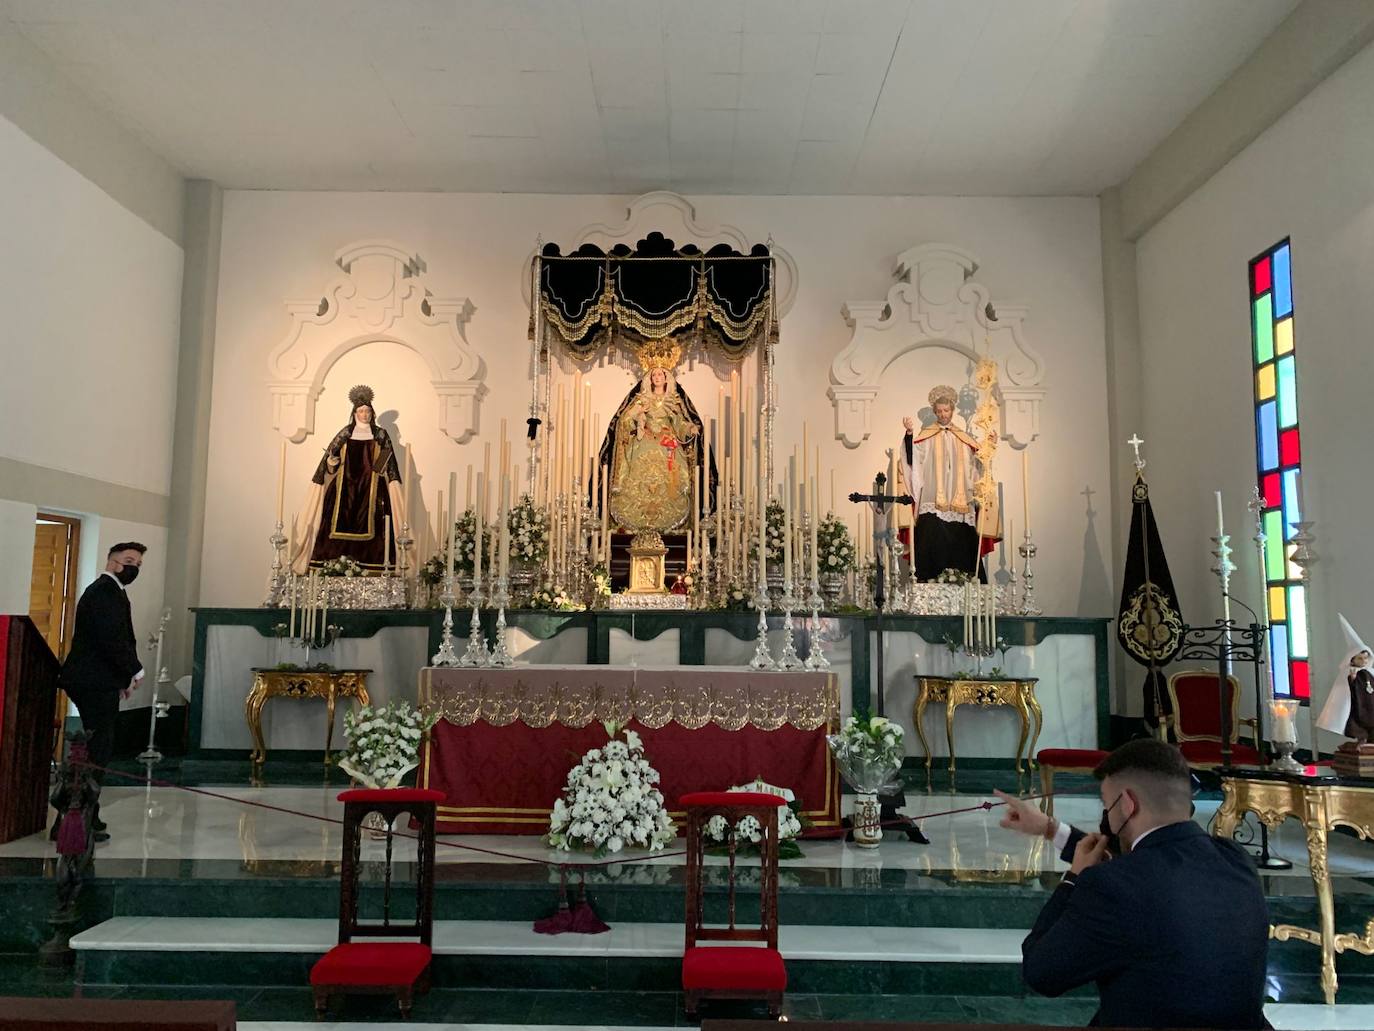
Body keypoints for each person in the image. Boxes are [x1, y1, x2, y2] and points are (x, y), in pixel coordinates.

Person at [995, 739, 1269, 1029]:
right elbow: (1148, 864)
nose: (1106, 817)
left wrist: (1073, 878)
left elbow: (1041, 972)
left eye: (1106, 803)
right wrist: (1050, 828)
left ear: (1127, 804)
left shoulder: (1113, 887)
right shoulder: (1235, 859)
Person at [57, 542, 147, 843]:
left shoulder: (113, 592)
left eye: (138, 563)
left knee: (99, 750)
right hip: (92, 681)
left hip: (99, 680)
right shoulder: (104, 592)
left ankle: (81, 816)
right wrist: (135, 670)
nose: (134, 567)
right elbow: (110, 639)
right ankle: (78, 818)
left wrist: (120, 679)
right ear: (112, 562)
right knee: (97, 751)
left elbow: (114, 639)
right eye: (129, 560)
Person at [290, 384, 406, 574]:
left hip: (372, 490)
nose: (365, 415)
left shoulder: (380, 435)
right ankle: (334, 565)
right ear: (354, 413)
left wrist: (382, 468)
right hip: (344, 491)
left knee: (378, 525)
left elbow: (388, 464)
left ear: (372, 413)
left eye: (368, 411)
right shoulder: (345, 433)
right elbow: (328, 463)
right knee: (332, 524)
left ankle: (372, 566)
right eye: (361, 411)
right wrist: (332, 462)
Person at [900, 385, 994, 581]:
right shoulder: (926, 437)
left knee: (963, 547)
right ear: (935, 412)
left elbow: (978, 464)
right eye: (940, 411)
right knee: (931, 543)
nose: (943, 415)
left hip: (961, 504)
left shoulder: (964, 438)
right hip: (933, 502)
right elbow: (913, 459)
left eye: (946, 410)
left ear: (952, 410)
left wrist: (989, 446)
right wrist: (909, 434)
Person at [604, 363, 707, 533]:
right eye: (654, 375)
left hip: (667, 444)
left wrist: (690, 428)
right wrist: (638, 414)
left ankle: (671, 521)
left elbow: (679, 423)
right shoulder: (642, 399)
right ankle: (636, 519)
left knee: (673, 475)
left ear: (666, 378)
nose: (657, 378)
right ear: (649, 379)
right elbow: (624, 420)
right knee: (634, 470)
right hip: (643, 441)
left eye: (660, 374)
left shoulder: (673, 400)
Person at [1317, 614, 1374, 742]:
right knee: (1360, 725)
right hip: (1358, 705)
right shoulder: (1348, 672)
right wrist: (1352, 679)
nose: (1364, 661)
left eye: (1366, 658)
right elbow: (1347, 691)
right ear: (1353, 658)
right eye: (1360, 658)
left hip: (1370, 704)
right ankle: (1362, 741)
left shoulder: (1369, 672)